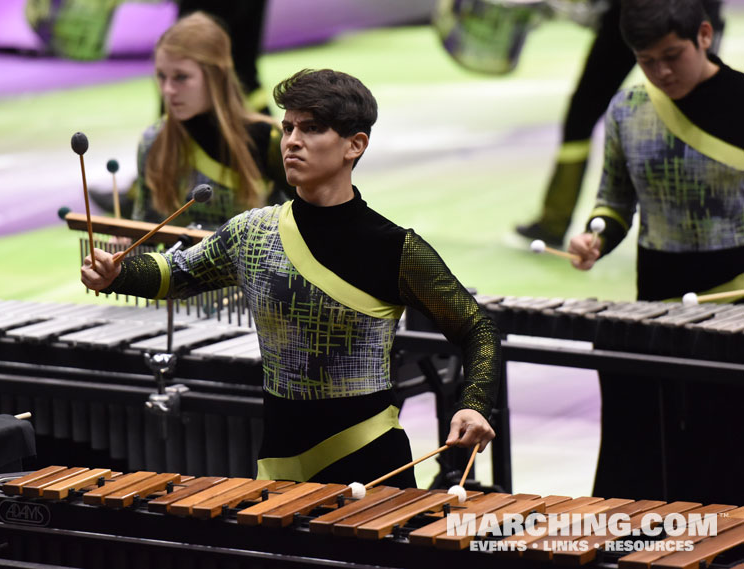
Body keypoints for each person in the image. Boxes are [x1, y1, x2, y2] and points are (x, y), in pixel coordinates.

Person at [81, 68, 501, 488]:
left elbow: (476, 327)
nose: (292, 141)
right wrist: (116, 273)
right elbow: (177, 273)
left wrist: (475, 403)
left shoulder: (395, 248)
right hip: (276, 465)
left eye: (312, 128)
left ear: (355, 145)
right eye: (287, 128)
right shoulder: (253, 232)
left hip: (369, 461)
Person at [567, 0, 744, 502]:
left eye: (673, 55)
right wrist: (596, 234)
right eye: (647, 61)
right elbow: (615, 199)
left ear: (704, 36)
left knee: (726, 440)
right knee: (652, 439)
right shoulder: (627, 109)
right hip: (657, 303)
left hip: (736, 303)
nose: (662, 72)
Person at [515, 0, 724, 247]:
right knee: (583, 112)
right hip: (637, 17)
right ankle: (554, 219)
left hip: (682, 19)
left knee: (699, 116)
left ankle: (705, 225)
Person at [131, 12, 292, 230]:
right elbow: (144, 233)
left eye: (181, 77)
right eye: (161, 76)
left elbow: (309, 222)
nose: (167, 90)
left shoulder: (269, 138)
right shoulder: (153, 141)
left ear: (215, 76)